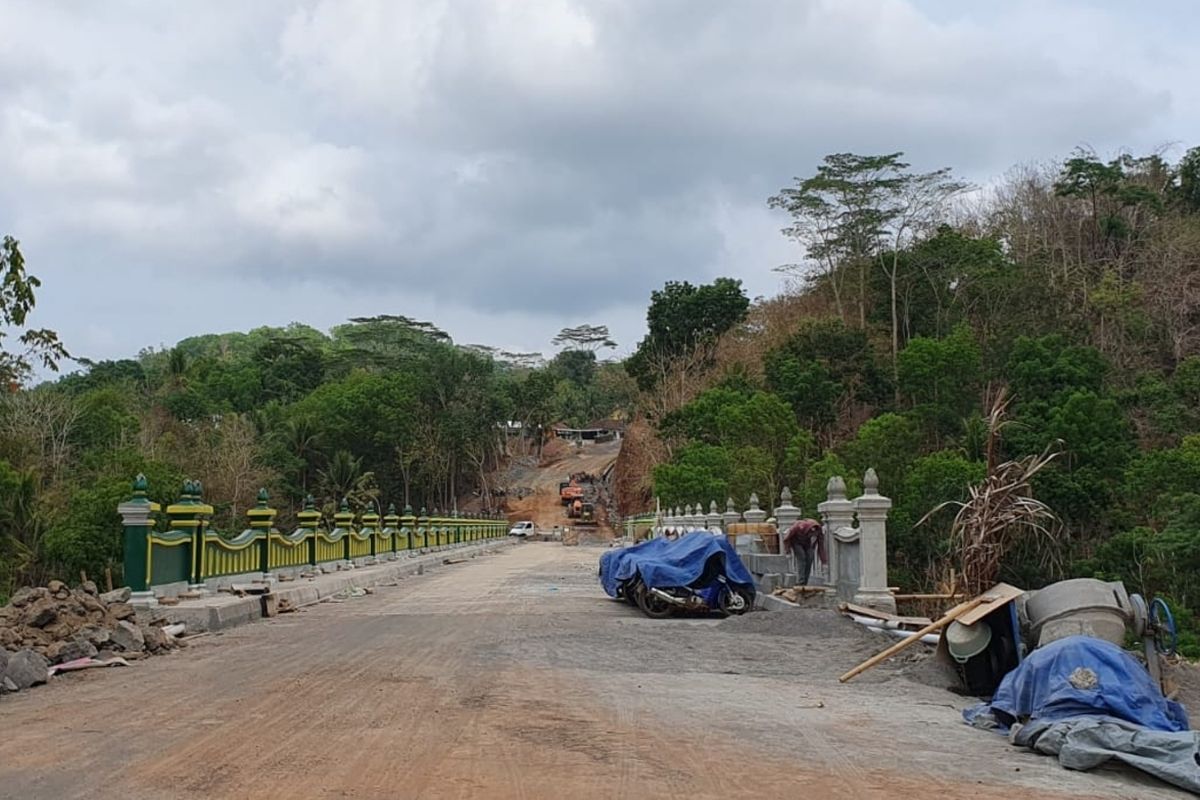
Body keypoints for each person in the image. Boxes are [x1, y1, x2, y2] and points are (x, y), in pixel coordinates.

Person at [783, 518, 827, 586]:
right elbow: (786, 539)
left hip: (808, 544)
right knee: (802, 558)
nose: (813, 536)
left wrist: (824, 562)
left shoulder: (818, 530)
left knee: (810, 558)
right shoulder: (797, 527)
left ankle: (805, 582)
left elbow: (821, 546)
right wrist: (787, 551)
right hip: (796, 542)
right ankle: (801, 581)